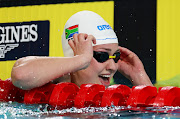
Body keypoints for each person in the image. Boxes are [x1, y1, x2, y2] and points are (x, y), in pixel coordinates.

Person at [11, 10, 153, 90]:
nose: (112, 67)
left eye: (115, 57)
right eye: (102, 56)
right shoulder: (51, 85)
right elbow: (21, 75)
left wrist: (139, 76)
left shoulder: (114, 96)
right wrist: (81, 59)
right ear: (75, 55)